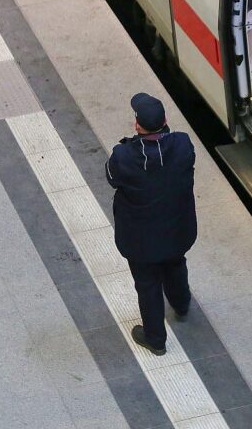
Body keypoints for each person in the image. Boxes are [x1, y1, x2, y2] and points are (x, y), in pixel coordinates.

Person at [105, 92, 197, 356]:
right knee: (176, 264)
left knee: (147, 285)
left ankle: (155, 339)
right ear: (166, 120)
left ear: (137, 125)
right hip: (178, 231)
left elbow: (111, 177)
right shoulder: (183, 144)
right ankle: (181, 304)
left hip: (140, 240)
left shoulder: (124, 156)